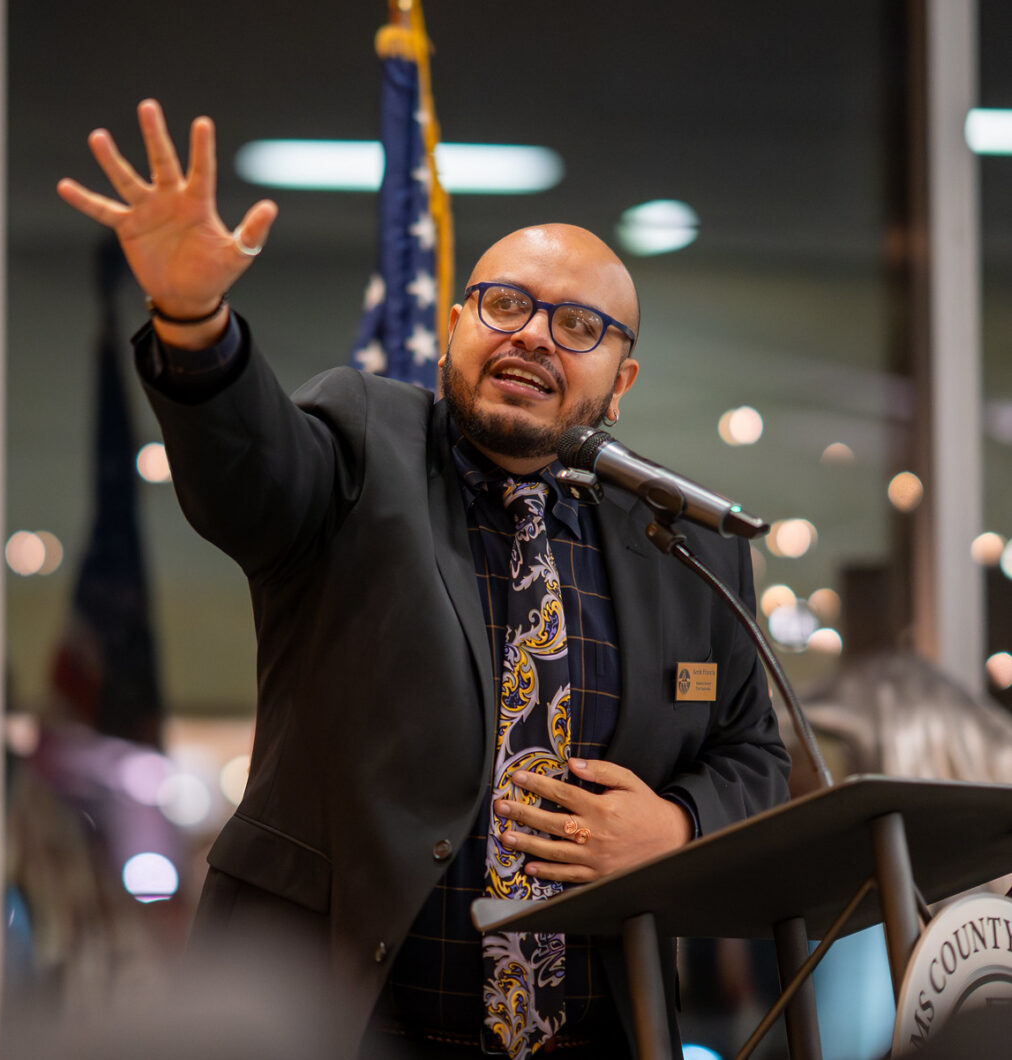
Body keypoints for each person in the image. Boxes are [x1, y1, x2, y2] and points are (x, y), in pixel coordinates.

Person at [58, 99, 791, 1059]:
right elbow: (248, 475)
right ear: (456, 325)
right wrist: (195, 323)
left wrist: (680, 826)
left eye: (578, 325)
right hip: (340, 1019)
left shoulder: (682, 541)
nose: (532, 335)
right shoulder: (365, 441)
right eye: (505, 304)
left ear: (622, 381)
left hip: (597, 1036)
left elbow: (756, 762)